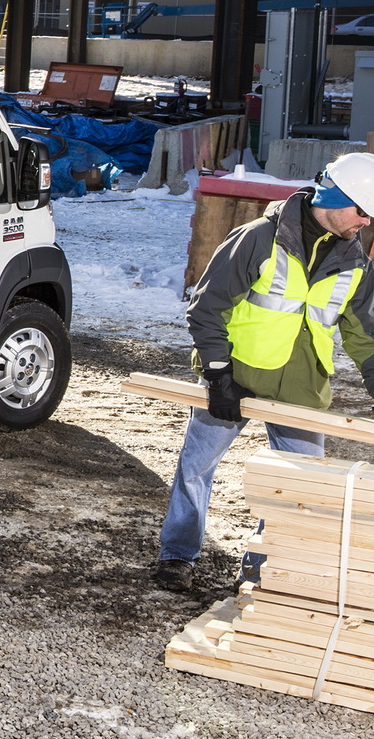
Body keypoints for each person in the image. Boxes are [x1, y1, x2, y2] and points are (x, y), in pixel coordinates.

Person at [157, 153, 374, 593]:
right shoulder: (259, 239)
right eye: (362, 210)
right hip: (235, 380)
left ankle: (262, 568)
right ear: (334, 197)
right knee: (195, 469)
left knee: (297, 488)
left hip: (302, 389)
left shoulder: (356, 261)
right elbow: (207, 307)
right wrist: (218, 375)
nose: (366, 222)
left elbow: (365, 333)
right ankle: (178, 555)